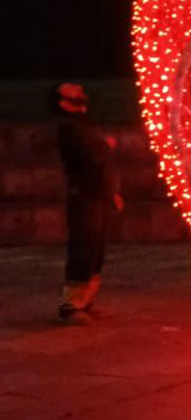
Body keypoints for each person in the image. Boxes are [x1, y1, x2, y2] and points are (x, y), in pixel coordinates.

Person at [51, 82, 123, 324]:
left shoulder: (85, 123)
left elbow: (102, 162)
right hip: (85, 196)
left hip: (99, 195)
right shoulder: (69, 128)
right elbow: (92, 155)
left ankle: (86, 300)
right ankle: (71, 306)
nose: (79, 89)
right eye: (71, 89)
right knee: (83, 247)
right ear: (63, 103)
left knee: (96, 248)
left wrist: (112, 192)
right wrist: (105, 145)